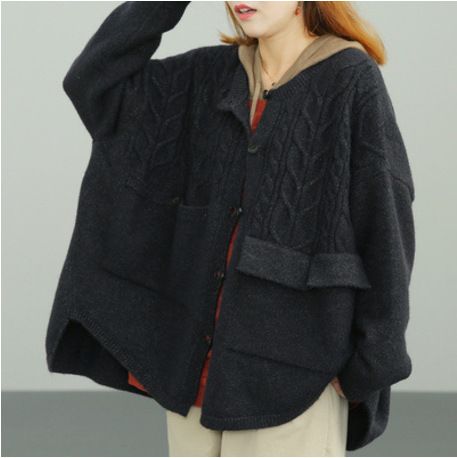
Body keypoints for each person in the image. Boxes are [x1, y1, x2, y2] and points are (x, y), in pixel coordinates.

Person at [45, 1, 415, 456]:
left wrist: (371, 363)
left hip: (295, 380)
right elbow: (92, 84)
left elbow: (386, 223)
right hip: (195, 380)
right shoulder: (208, 75)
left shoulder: (350, 79)